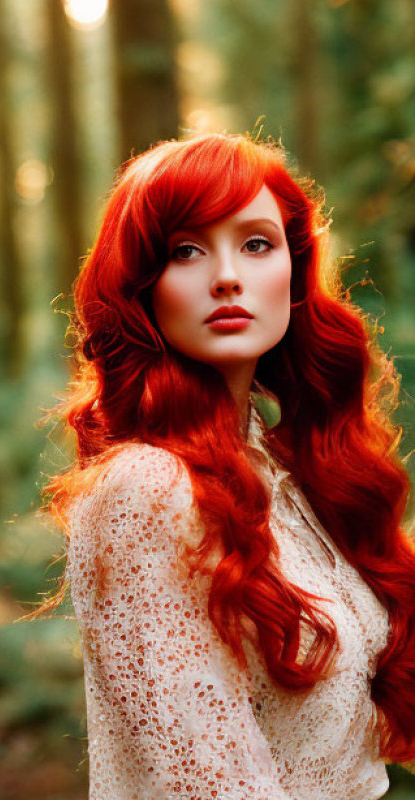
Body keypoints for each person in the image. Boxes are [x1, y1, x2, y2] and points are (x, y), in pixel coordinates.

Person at [41, 133, 415, 799]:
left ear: (294, 272)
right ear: (141, 288)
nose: (226, 276)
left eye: (256, 243)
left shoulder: (280, 469)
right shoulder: (147, 490)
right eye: (186, 249)